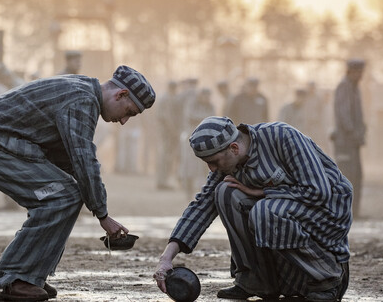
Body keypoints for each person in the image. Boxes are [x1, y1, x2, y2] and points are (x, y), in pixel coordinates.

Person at [0, 65, 155, 301]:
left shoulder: (83, 89)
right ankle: (16, 276)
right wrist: (102, 215)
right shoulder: (82, 100)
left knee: (67, 194)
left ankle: (31, 275)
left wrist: (92, 198)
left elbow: (71, 158)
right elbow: (83, 160)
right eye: (129, 112)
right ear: (120, 94)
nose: (123, 121)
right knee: (62, 197)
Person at [154, 116, 352, 302]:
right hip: (289, 216)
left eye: (214, 162)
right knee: (225, 192)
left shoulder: (283, 136)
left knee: (266, 211)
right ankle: (255, 282)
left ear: (234, 148)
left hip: (327, 216)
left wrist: (262, 192)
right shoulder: (229, 161)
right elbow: (202, 205)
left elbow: (318, 191)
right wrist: (167, 257)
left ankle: (326, 279)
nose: (212, 169)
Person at [331, 59, 366, 218]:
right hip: (345, 142)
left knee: (357, 176)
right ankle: (345, 212)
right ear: (351, 71)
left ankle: (354, 212)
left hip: (353, 141)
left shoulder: (354, 88)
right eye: (359, 72)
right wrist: (353, 132)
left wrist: (361, 132)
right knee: (347, 177)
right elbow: (344, 115)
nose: (361, 75)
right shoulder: (344, 87)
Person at [155, 81, 182, 190]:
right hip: (166, 132)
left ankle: (162, 181)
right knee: (166, 157)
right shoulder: (167, 99)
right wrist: (173, 131)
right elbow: (167, 117)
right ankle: (163, 182)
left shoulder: (164, 97)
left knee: (165, 156)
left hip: (164, 131)